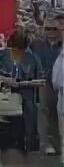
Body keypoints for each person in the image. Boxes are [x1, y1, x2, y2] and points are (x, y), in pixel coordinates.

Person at [0, 29, 44, 166]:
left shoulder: (32, 58)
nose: (17, 53)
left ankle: (23, 156)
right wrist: (4, 79)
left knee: (25, 134)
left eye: (20, 50)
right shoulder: (1, 56)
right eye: (14, 50)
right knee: (6, 136)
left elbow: (42, 80)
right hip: (5, 100)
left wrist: (26, 83)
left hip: (26, 102)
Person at [31, 18, 62, 155]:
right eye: (47, 28)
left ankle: (57, 142)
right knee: (45, 112)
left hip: (60, 85)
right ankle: (47, 142)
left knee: (58, 114)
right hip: (43, 83)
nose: (50, 32)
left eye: (54, 29)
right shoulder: (36, 44)